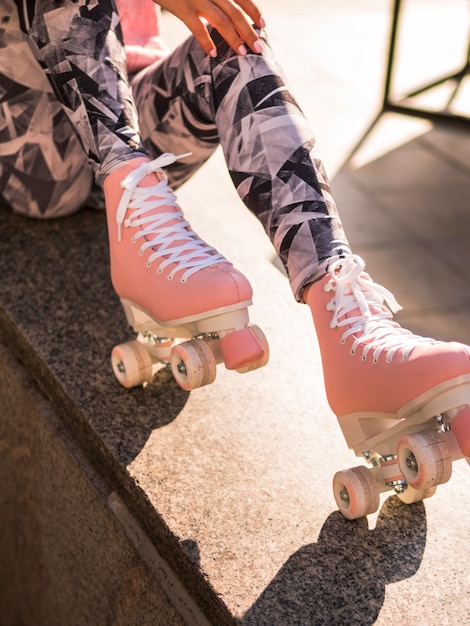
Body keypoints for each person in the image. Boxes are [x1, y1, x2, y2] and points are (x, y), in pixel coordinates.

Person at [1, 1, 470, 454]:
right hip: (30, 147)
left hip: (130, 116)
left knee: (233, 35)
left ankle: (351, 327)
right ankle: (137, 208)